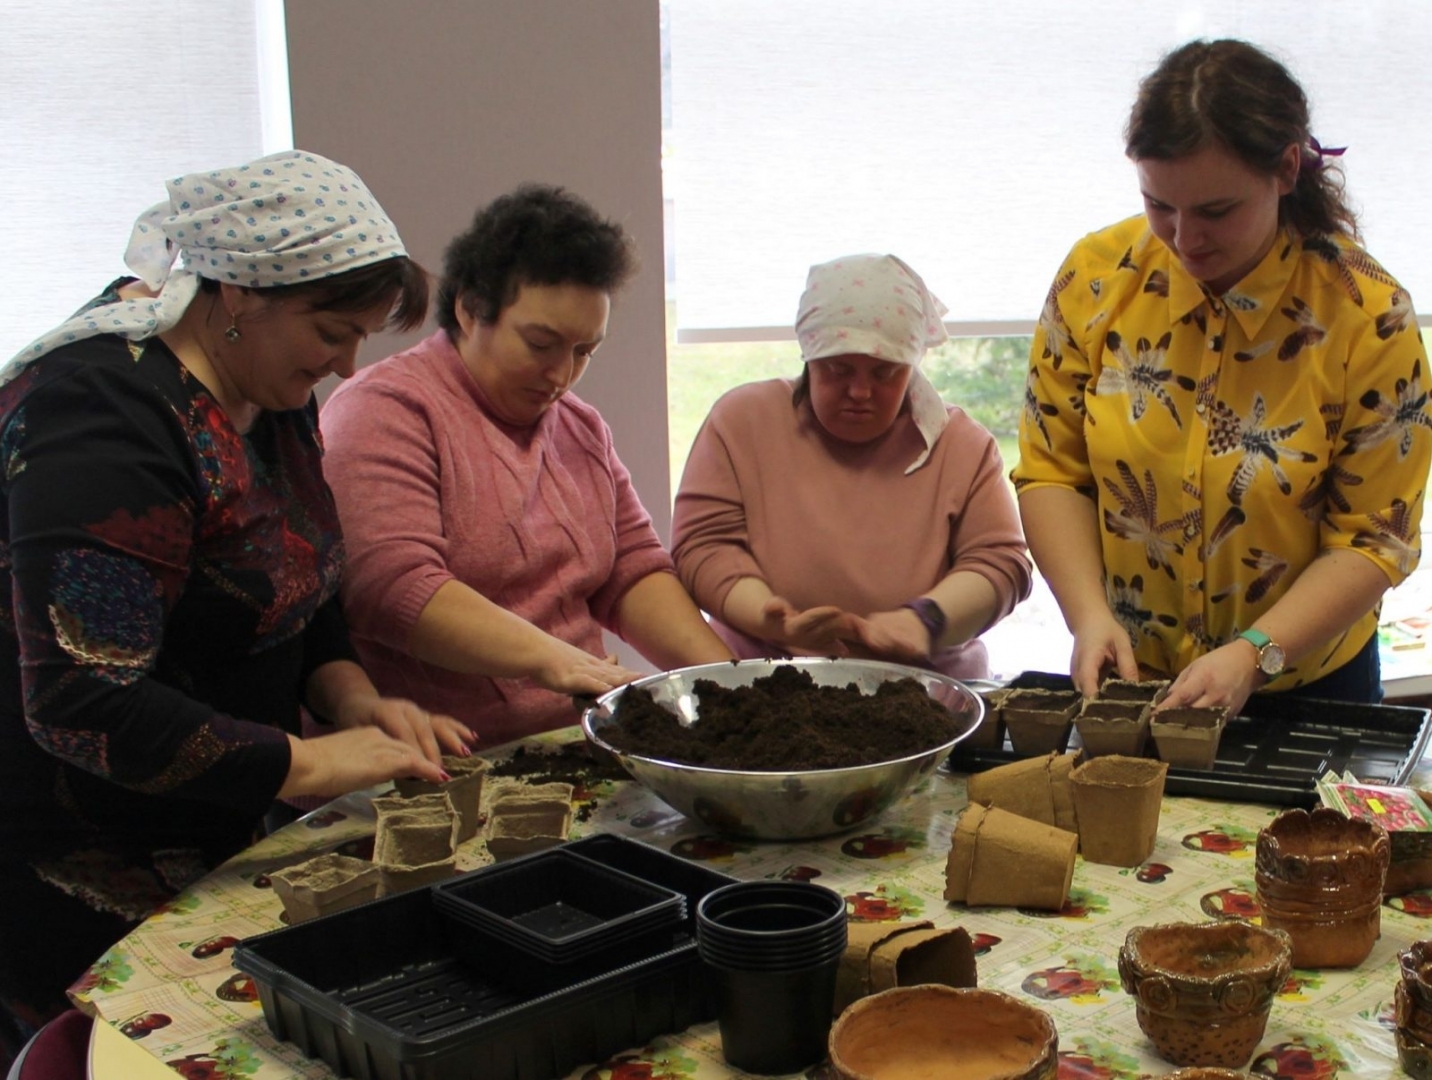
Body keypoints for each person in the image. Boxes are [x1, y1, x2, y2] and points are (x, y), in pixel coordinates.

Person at [0, 151, 473, 1048]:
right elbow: (80, 700)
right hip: (81, 847)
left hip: (219, 818)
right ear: (242, 294)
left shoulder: (264, 390)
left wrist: (354, 697)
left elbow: (304, 577)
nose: (345, 365)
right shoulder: (101, 415)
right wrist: (316, 763)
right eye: (332, 330)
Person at [1014, 39, 1432, 716]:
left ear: (1287, 169)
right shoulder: (1094, 278)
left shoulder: (1368, 316)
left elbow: (1373, 538)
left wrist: (1256, 652)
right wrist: (1087, 615)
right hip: (1131, 676)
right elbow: (1053, 472)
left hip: (1305, 684)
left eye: (1215, 212)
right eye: (1159, 206)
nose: (1184, 240)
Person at [321, 184, 732, 746]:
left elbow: (631, 570)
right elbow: (392, 590)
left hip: (575, 741)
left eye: (585, 351)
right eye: (541, 344)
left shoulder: (579, 426)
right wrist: (556, 661)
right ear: (469, 309)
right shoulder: (385, 410)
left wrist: (731, 682)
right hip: (440, 761)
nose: (562, 374)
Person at [671, 253, 1033, 679]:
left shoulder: (961, 447)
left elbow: (1000, 563)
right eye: (837, 369)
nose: (860, 391)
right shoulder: (742, 422)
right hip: (767, 681)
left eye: (885, 373)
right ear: (808, 356)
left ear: (913, 365)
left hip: (925, 690)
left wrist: (926, 620)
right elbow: (704, 545)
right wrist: (767, 617)